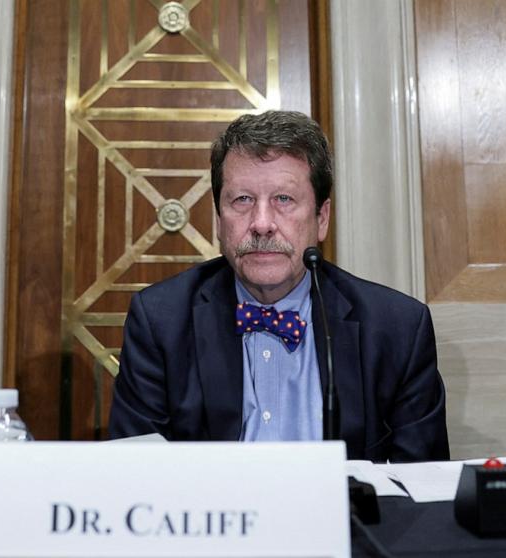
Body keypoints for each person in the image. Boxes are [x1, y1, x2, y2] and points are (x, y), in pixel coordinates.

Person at [109, 111, 449, 461]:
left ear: (321, 218)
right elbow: (135, 477)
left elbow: (421, 488)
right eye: (242, 200)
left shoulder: (397, 329)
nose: (261, 224)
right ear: (218, 220)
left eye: (283, 200)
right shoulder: (161, 321)